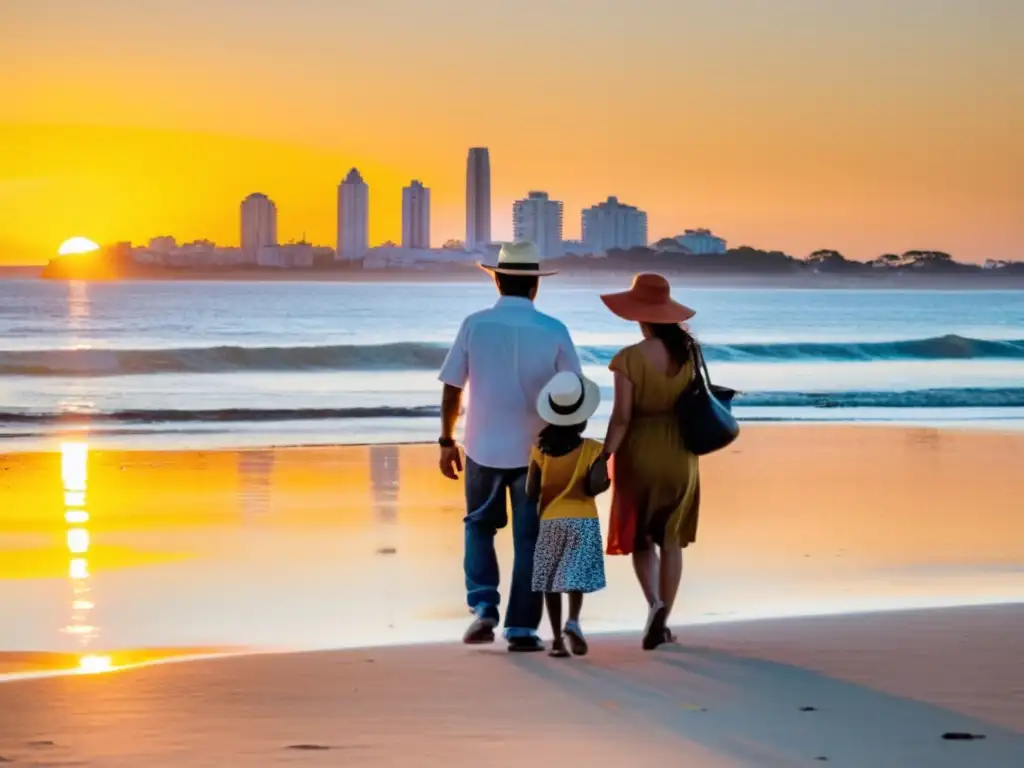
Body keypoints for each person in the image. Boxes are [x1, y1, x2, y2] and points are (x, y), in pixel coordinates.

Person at [438, 241, 583, 652]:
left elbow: (453, 386)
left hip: (482, 444)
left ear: (498, 281)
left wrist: (447, 441)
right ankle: (521, 628)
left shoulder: (475, 324)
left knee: (479, 527)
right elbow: (572, 391)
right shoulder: (555, 330)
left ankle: (484, 606)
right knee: (530, 540)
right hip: (537, 451)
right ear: (535, 287)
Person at [599, 273, 701, 650]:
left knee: (641, 538)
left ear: (638, 315)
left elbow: (622, 416)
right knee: (671, 539)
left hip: (638, 453)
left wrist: (604, 454)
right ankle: (665, 621)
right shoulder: (689, 355)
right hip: (680, 454)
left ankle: (654, 605)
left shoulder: (627, 359)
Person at [527, 371, 609, 658]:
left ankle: (557, 643)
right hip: (583, 520)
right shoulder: (593, 449)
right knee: (575, 578)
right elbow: (596, 486)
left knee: (551, 581)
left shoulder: (539, 450)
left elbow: (530, 491)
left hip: (549, 520)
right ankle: (573, 621)